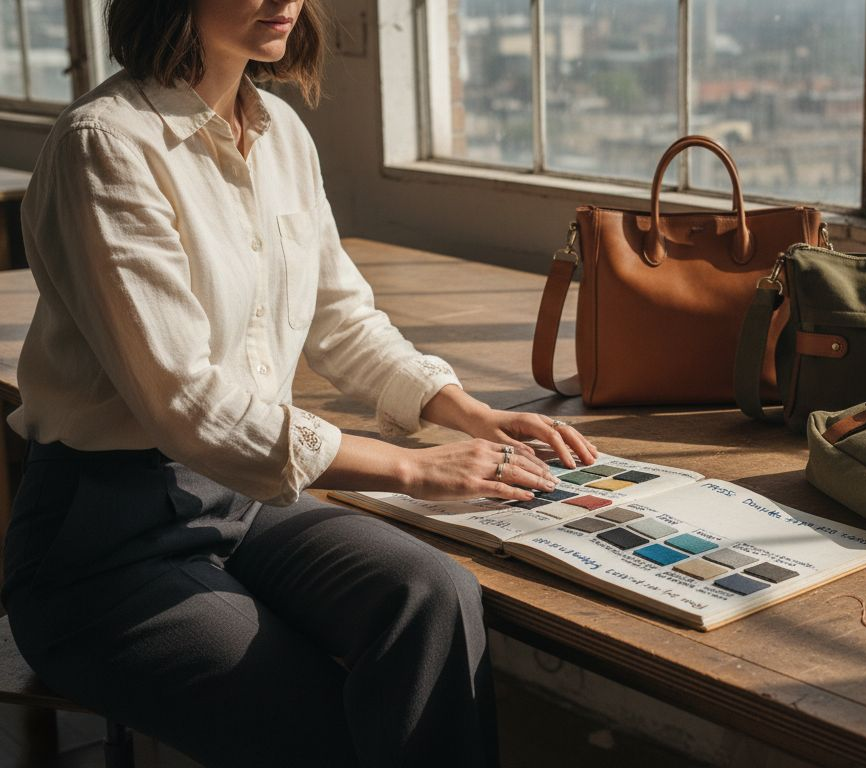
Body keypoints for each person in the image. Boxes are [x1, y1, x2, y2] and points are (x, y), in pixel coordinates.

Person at [1, 0, 596, 765]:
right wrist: (413, 468)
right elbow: (190, 405)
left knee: (432, 595)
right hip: (102, 547)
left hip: (242, 506)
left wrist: (467, 412)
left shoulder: (281, 133)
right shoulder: (105, 144)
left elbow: (340, 318)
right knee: (313, 712)